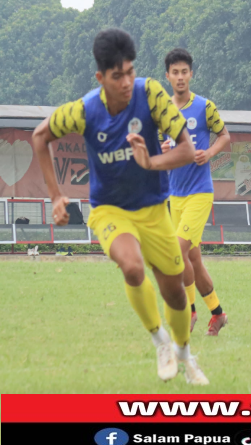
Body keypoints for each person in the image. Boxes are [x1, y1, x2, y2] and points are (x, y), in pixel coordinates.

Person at [31, 28, 208, 384]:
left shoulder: (152, 94)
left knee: (174, 290)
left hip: (155, 209)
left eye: (130, 72)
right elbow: (40, 136)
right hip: (109, 210)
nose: (127, 82)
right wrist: (55, 195)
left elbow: (188, 150)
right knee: (131, 266)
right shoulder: (85, 111)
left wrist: (151, 163)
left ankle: (185, 354)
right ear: (101, 78)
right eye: (117, 76)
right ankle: (159, 340)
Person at [160, 48, 230, 336]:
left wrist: (210, 152)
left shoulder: (204, 107)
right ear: (167, 76)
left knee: (177, 253)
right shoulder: (163, 110)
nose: (179, 77)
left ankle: (188, 313)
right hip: (174, 195)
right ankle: (218, 313)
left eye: (184, 72)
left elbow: (225, 136)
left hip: (200, 192)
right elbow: (160, 148)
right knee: (193, 259)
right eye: (174, 72)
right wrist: (162, 150)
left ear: (191, 74)